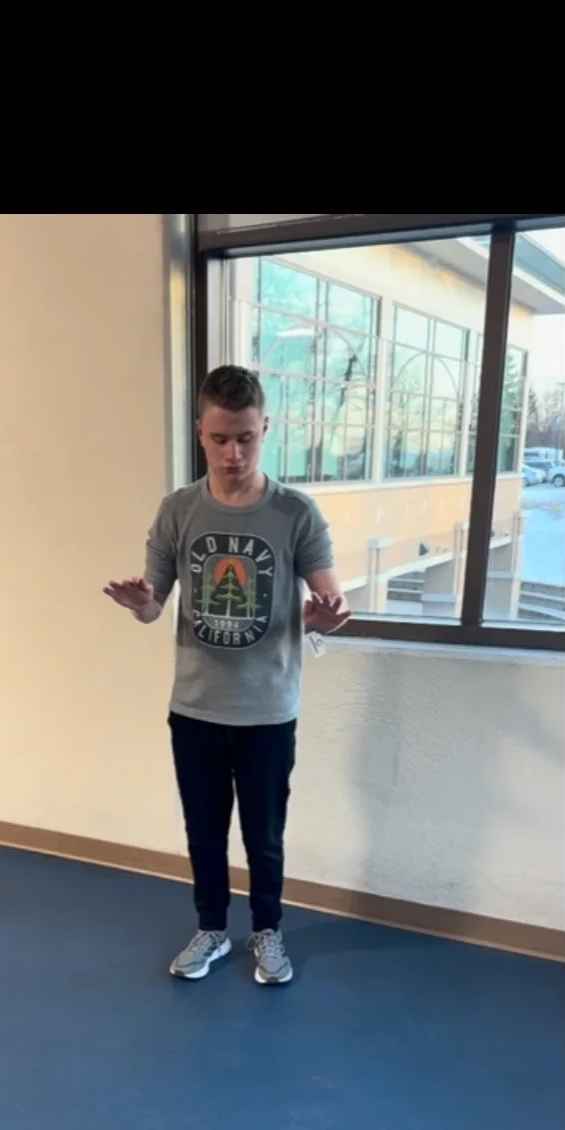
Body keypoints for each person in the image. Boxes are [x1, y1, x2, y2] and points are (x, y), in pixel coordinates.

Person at [104, 364, 349, 985]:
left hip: (268, 709)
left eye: (245, 438)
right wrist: (142, 605)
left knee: (264, 836)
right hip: (196, 707)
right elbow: (154, 605)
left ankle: (268, 931)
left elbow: (328, 602)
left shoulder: (296, 512)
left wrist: (322, 618)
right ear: (200, 433)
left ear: (265, 429)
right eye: (219, 439)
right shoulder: (178, 510)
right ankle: (212, 929)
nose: (233, 453)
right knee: (204, 832)